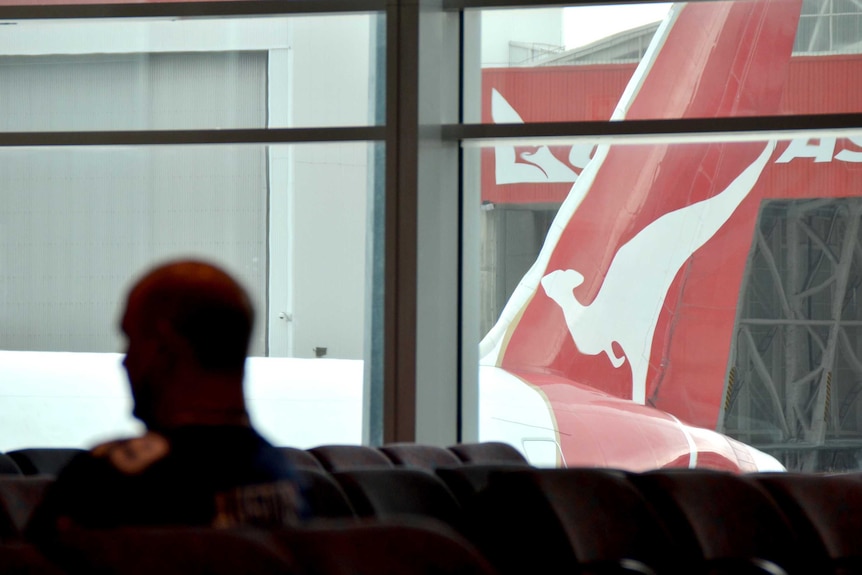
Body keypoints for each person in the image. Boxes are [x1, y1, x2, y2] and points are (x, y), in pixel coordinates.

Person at [27, 259, 306, 539]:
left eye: (132, 341)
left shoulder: (105, 481)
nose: (125, 362)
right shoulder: (289, 481)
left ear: (163, 348)